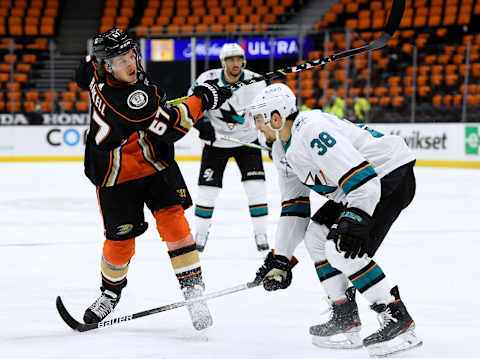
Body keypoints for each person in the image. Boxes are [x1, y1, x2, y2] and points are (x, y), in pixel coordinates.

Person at [74, 28, 232, 330]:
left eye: (130, 55)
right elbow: (172, 126)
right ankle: (110, 293)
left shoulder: (98, 67)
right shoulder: (126, 98)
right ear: (107, 65)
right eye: (121, 60)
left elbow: (82, 75)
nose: (130, 64)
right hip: (116, 173)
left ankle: (194, 294)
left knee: (176, 226)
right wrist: (204, 99)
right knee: (121, 243)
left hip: (154, 162)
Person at [250, 83, 422, 357]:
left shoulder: (311, 129)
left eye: (258, 119)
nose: (256, 127)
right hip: (358, 187)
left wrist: (355, 220)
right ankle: (345, 316)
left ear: (276, 117)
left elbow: (363, 179)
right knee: (316, 237)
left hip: (388, 176)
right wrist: (280, 258)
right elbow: (294, 207)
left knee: (341, 248)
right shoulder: (282, 150)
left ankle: (397, 317)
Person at [188, 43, 269, 253]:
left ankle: (261, 233)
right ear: (223, 62)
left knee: (256, 189)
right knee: (207, 191)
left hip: (247, 141)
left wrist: (265, 135)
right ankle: (201, 233)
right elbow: (191, 105)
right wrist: (201, 125)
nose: (235, 63)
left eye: (239, 59)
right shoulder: (207, 79)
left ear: (244, 60)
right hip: (216, 142)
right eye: (231, 59)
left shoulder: (256, 82)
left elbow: (264, 112)